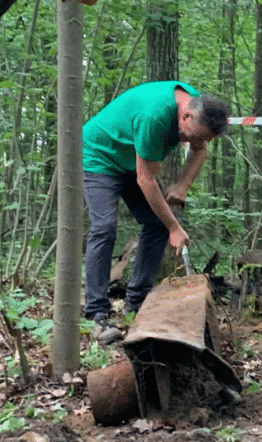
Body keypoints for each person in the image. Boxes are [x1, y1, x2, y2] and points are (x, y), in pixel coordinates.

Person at [82, 81, 230, 344]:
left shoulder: (197, 109)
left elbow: (199, 150)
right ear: (185, 116)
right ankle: (96, 314)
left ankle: (136, 304)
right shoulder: (155, 117)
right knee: (104, 227)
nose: (193, 142)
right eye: (191, 136)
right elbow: (146, 180)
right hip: (100, 157)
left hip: (132, 160)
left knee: (157, 224)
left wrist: (183, 184)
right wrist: (175, 227)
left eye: (203, 138)